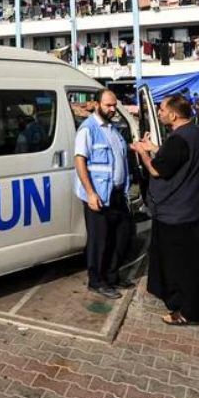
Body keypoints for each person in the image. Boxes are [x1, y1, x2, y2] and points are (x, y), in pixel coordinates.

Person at [131, 95, 199, 325]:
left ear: (173, 115)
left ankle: (187, 312)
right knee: (198, 265)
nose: (159, 112)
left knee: (183, 268)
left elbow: (157, 170)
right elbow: (176, 156)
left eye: (162, 109)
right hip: (198, 210)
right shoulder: (195, 133)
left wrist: (142, 152)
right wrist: (155, 147)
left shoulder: (179, 140)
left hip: (180, 215)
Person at [74, 89, 134, 299]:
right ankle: (96, 281)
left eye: (114, 105)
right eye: (108, 105)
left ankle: (112, 276)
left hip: (117, 193)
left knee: (122, 235)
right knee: (99, 240)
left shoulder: (113, 128)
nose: (112, 109)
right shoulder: (88, 129)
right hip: (98, 195)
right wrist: (90, 193)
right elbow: (80, 161)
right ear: (97, 104)